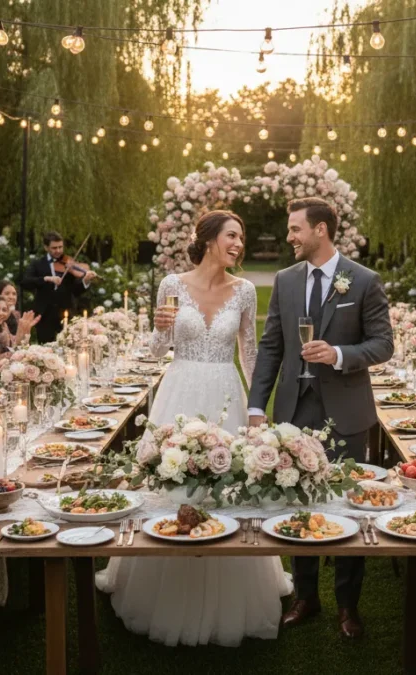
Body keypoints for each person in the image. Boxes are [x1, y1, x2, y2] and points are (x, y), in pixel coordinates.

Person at [96, 210, 288, 647]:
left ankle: (234, 599)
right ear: (207, 239)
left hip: (225, 394)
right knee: (170, 485)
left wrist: (256, 409)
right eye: (233, 236)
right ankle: (156, 593)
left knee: (229, 487)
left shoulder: (243, 292)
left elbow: (250, 354)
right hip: (178, 392)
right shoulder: (171, 285)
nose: (239, 243)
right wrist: (158, 332)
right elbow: (156, 348)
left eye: (242, 236)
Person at [248, 197, 394, 639]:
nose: (289, 237)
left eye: (295, 229)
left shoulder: (364, 281)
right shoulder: (285, 280)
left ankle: (348, 605)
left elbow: (383, 344)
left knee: (349, 503)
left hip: (347, 412)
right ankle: (305, 596)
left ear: (321, 230)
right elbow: (272, 345)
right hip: (294, 409)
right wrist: (258, 406)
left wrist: (339, 354)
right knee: (298, 501)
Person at [21, 233, 97, 343]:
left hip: (66, 313)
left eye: (60, 247)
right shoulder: (37, 264)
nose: (58, 251)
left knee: (69, 345)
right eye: (54, 248)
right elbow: (25, 282)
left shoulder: (69, 263)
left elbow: (75, 291)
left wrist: (85, 280)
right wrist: (46, 278)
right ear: (46, 247)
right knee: (45, 347)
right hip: (44, 315)